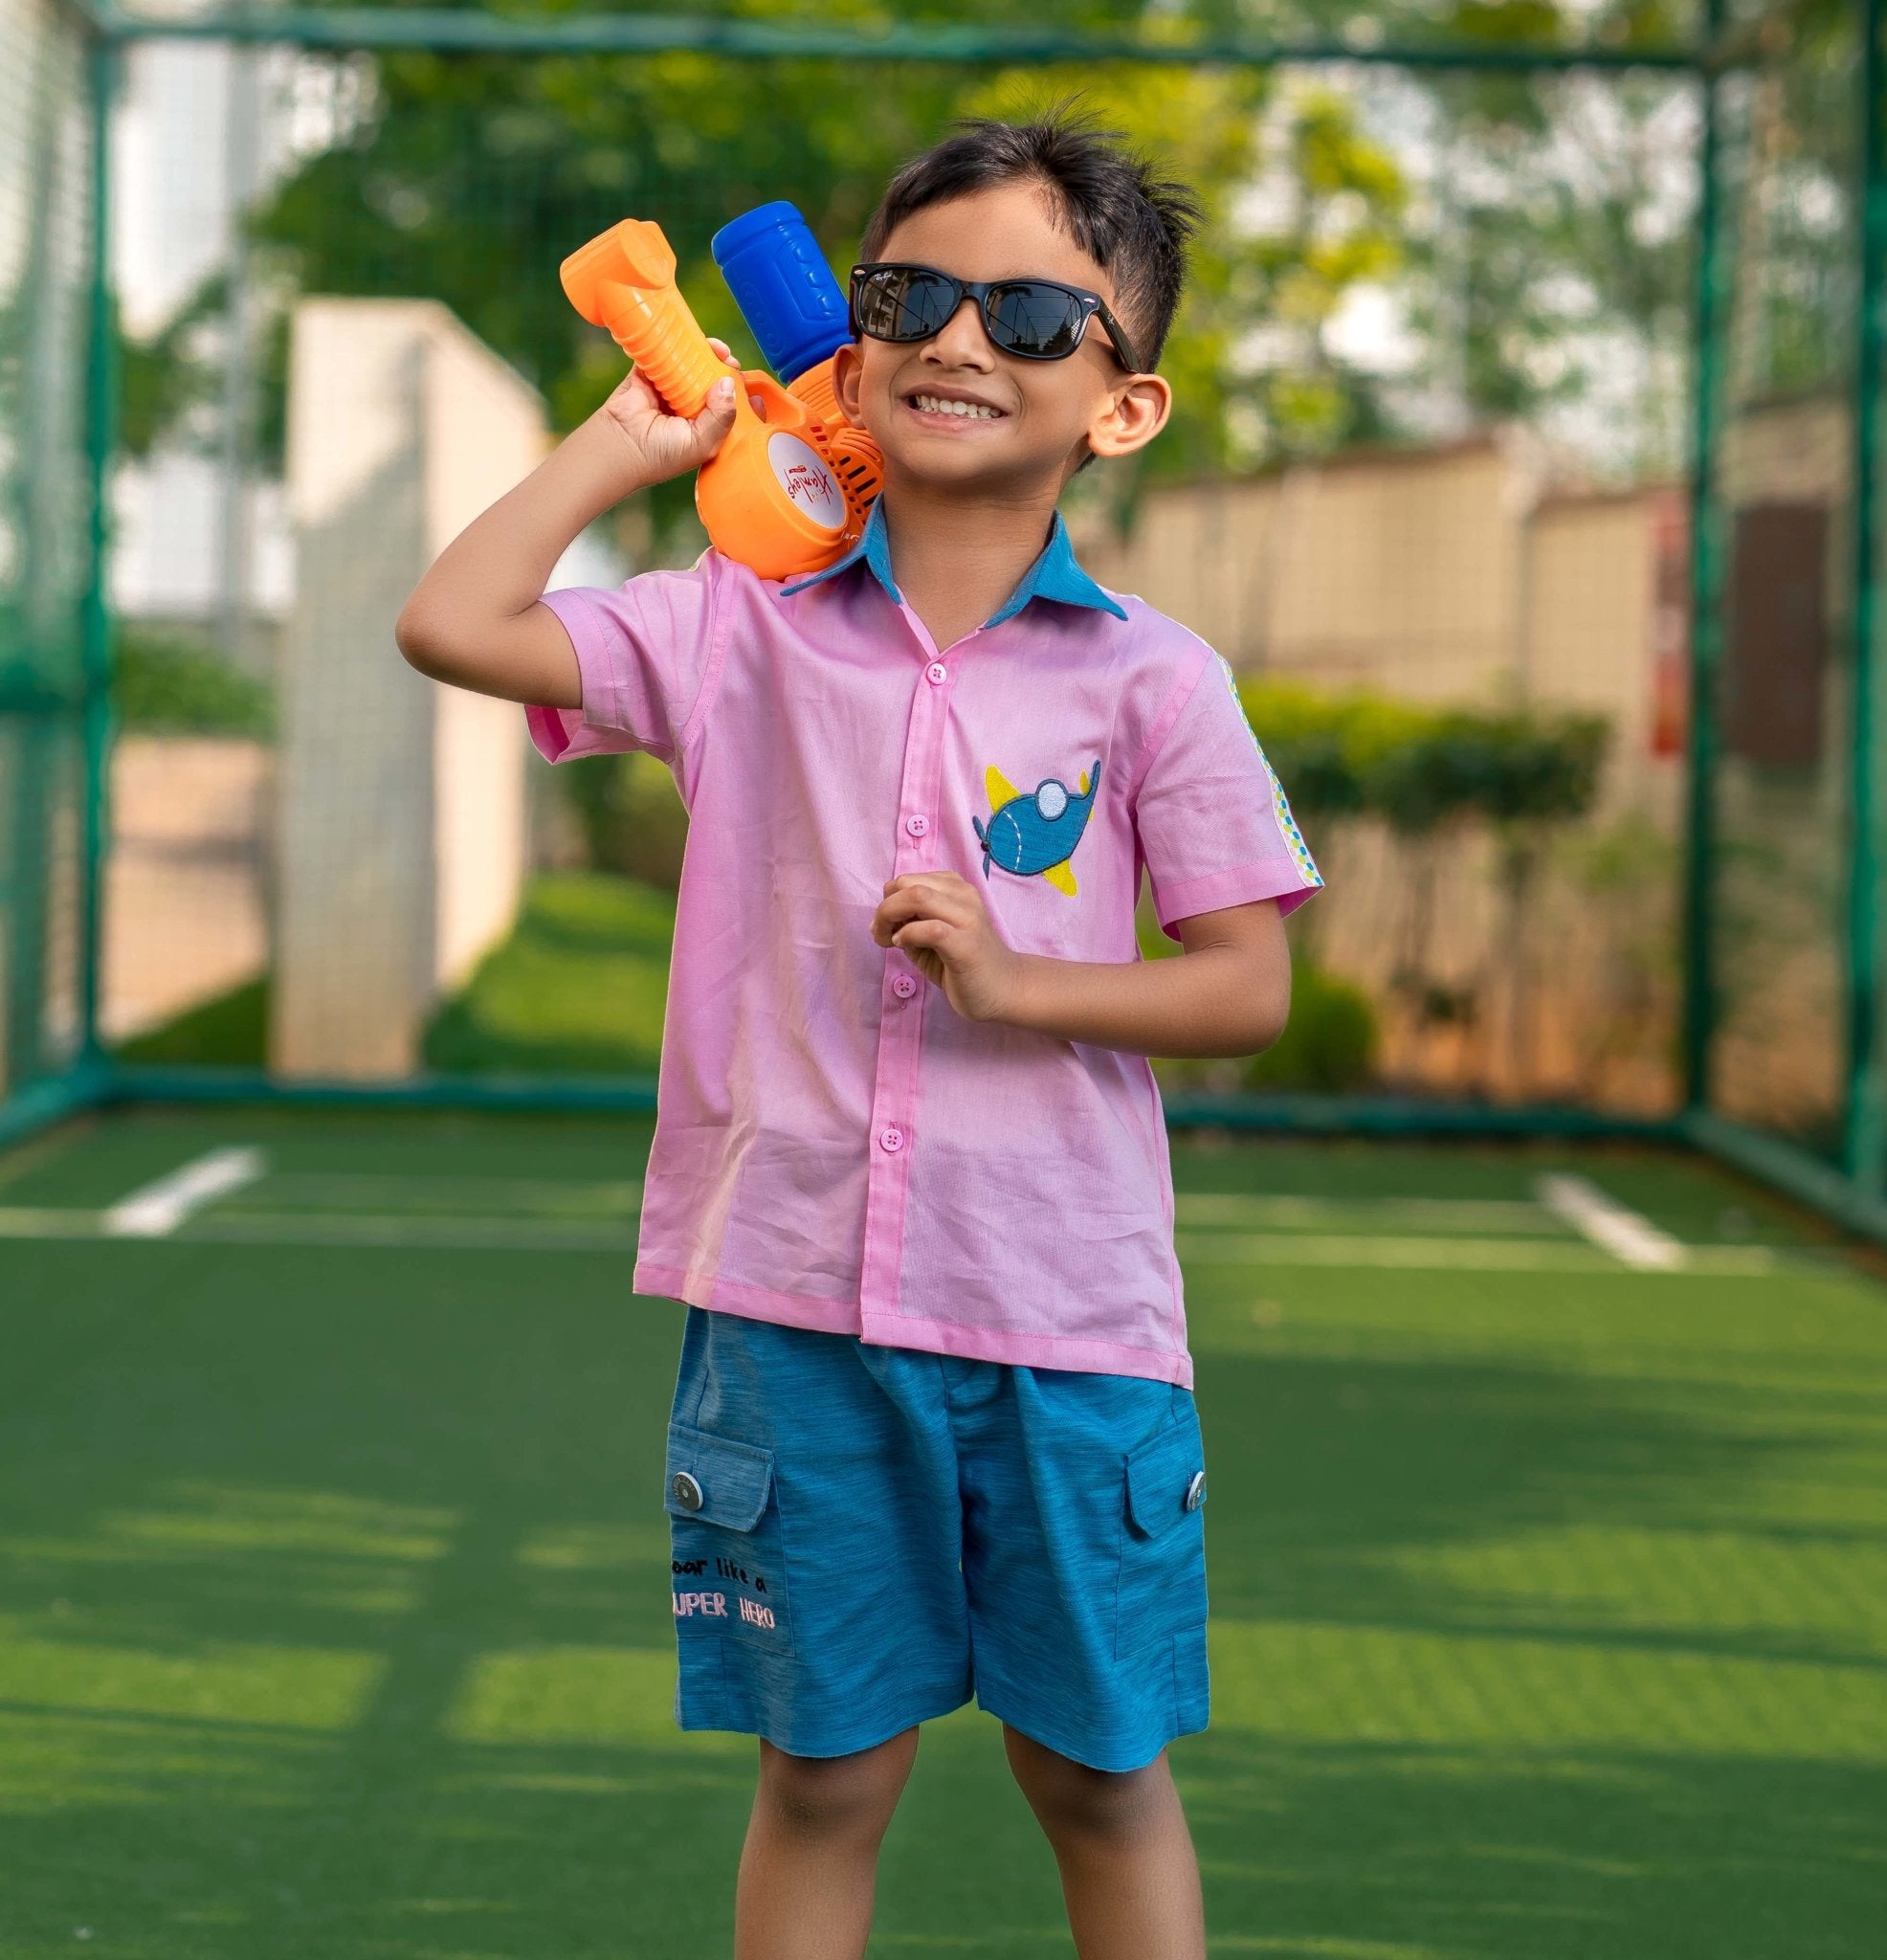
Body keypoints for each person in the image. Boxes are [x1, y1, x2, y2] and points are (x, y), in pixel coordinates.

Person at [396, 105, 1321, 1960]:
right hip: (793, 1305)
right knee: (820, 1773)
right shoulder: (735, 629)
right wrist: (625, 444)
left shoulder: (1155, 680)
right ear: (850, 337)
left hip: (1066, 1315)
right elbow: (453, 619)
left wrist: (1019, 980)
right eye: (910, 293)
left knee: (1096, 1772)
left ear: (1120, 406)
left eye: (1033, 317)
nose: (958, 340)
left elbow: (1241, 984)